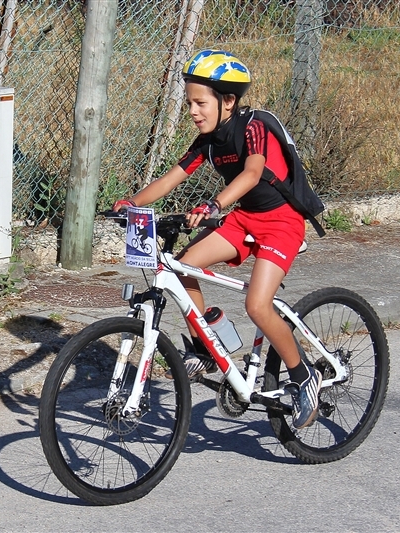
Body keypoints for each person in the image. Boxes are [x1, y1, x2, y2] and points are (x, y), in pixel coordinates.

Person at [112, 50, 321, 429]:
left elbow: (254, 172)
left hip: (282, 222)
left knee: (258, 306)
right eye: (189, 102)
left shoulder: (253, 125)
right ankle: (209, 346)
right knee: (181, 267)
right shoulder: (207, 140)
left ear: (228, 101)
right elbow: (172, 177)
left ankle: (304, 374)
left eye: (200, 102)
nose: (193, 111)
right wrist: (131, 203)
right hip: (244, 219)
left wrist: (215, 203)